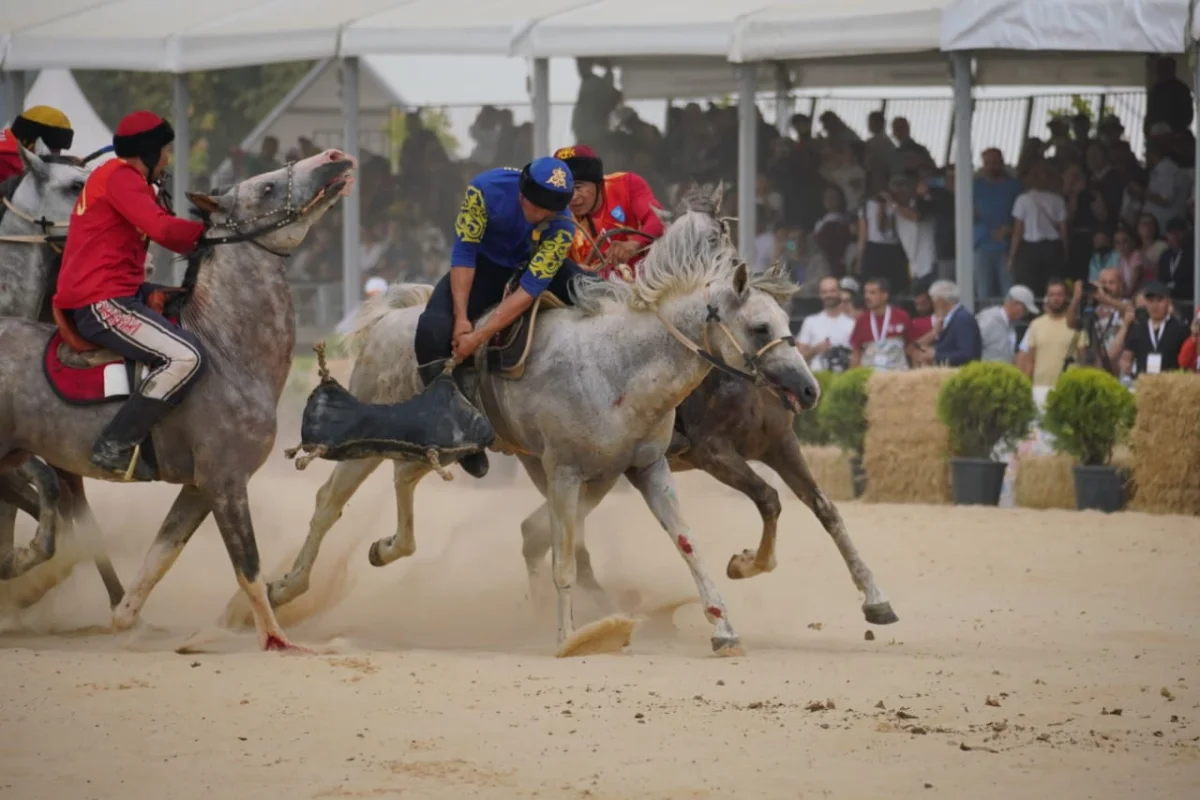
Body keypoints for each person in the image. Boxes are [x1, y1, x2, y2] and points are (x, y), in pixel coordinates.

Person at [53, 111, 209, 481]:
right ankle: (114, 445)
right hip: (101, 300)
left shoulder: (118, 176)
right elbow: (161, 229)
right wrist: (212, 231)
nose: (168, 159)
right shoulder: (122, 177)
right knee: (188, 357)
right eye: (165, 151)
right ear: (148, 152)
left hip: (116, 292)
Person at [412, 157, 579, 479]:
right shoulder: (484, 189)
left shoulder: (562, 225)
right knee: (431, 334)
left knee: (592, 294)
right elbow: (464, 252)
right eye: (536, 207)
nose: (542, 216)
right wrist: (462, 319)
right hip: (482, 266)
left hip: (528, 271)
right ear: (521, 194)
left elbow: (529, 289)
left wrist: (478, 336)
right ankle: (458, 431)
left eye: (550, 211)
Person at [552, 144, 664, 279]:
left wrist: (634, 244)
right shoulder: (558, 217)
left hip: (651, 282)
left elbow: (658, 219)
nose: (573, 197)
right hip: (599, 292)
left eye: (578, 187)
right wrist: (578, 272)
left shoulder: (626, 184)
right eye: (566, 190)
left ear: (599, 183)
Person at [1015, 279, 1080, 388]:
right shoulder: (1035, 325)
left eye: (1060, 295)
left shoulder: (1077, 325)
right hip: (1040, 388)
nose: (1056, 299)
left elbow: (1084, 359)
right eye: (1052, 295)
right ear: (1047, 298)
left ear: (1066, 297)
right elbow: (1030, 360)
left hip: (1068, 388)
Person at [1119, 281, 1190, 379]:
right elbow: (1127, 357)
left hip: (1171, 383)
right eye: (1151, 301)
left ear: (1168, 302)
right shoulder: (1137, 328)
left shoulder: (1180, 329)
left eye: (1159, 300)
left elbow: (1187, 359)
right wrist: (1126, 365)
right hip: (1143, 382)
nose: (1155, 305)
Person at [848, 277, 917, 371]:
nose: (867, 297)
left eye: (872, 293)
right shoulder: (862, 320)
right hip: (871, 377)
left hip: (898, 375)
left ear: (885, 295)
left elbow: (911, 347)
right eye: (866, 292)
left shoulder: (901, 317)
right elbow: (856, 352)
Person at [0, 105, 75, 182]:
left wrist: (68, 160)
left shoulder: (9, 140)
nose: (57, 154)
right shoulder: (5, 158)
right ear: (29, 142)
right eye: (52, 149)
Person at [796, 277, 855, 372]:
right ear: (820, 294)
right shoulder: (810, 322)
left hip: (844, 378)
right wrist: (816, 349)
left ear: (840, 292)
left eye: (832, 291)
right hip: (817, 379)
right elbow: (799, 358)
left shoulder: (852, 324)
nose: (828, 295)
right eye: (824, 292)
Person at [976, 284, 1039, 363]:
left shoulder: (1010, 326)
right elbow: (972, 347)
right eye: (1025, 310)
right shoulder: (989, 321)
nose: (1025, 314)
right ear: (1015, 304)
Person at [929, 280, 982, 366]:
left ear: (940, 301)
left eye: (933, 301)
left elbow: (967, 354)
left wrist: (936, 356)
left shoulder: (962, 319)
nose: (933, 306)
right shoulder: (954, 318)